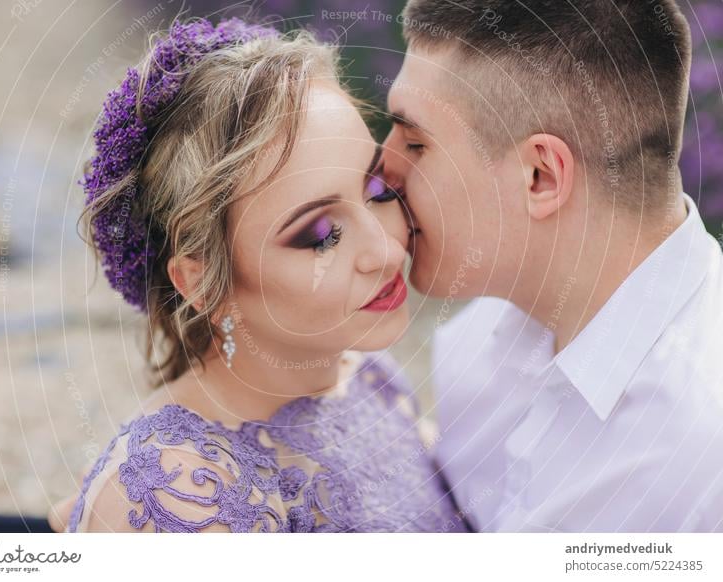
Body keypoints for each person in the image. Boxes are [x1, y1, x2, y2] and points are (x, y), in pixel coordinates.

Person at [52, 17, 465, 533]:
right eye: (319, 235)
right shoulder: (183, 500)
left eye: (377, 189)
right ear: (202, 282)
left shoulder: (365, 371)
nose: (385, 249)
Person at [381, 0, 723, 531]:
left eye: (416, 143)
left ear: (540, 176)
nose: (382, 173)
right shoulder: (485, 329)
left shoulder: (698, 452)